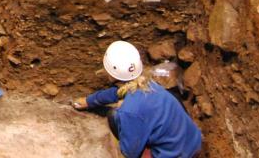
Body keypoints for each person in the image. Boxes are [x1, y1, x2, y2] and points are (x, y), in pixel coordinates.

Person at [72, 41, 203, 158]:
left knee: (114, 116)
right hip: (194, 142)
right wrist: (90, 101)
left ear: (112, 74)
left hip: (178, 154)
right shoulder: (149, 83)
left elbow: (130, 152)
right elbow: (118, 91)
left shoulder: (128, 111)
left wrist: (123, 113)